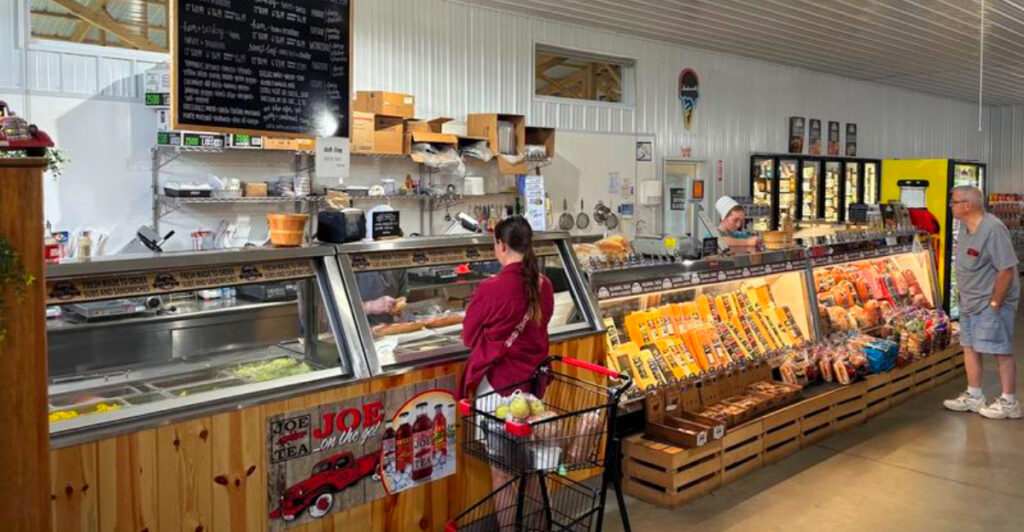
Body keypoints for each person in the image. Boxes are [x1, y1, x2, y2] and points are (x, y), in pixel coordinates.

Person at [459, 215, 554, 493]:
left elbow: (468, 338)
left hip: (498, 389)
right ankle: (538, 518)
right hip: (533, 387)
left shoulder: (490, 289)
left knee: (501, 474)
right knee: (532, 467)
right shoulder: (544, 284)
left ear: (501, 245)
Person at [942, 186, 1020, 419]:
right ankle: (974, 395)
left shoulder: (994, 229)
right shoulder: (964, 227)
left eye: (954, 202)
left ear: (967, 205)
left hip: (990, 302)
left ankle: (1010, 403)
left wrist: (995, 303)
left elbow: (1006, 269)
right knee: (969, 347)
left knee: (1000, 349)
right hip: (969, 301)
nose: (951, 206)